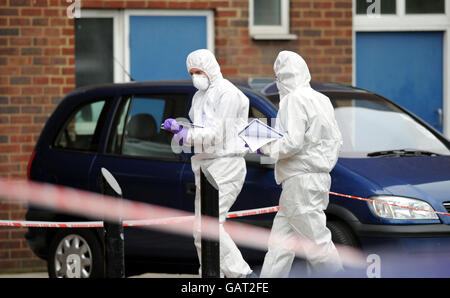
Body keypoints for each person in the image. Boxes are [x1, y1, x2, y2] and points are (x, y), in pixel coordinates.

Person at [163, 49, 253, 278]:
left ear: (211, 68)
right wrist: (182, 130)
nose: (195, 77)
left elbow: (216, 134)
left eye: (199, 71)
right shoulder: (199, 96)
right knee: (200, 232)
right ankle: (210, 277)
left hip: (226, 164)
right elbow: (201, 129)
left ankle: (242, 276)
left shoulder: (228, 94)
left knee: (209, 227)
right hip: (205, 166)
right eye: (191, 73)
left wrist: (185, 133)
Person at [258, 51, 344, 277]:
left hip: (300, 182)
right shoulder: (321, 99)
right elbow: (336, 140)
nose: (278, 84)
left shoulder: (293, 99)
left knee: (318, 245)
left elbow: (292, 143)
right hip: (316, 177)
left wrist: (265, 147)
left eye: (279, 78)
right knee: (280, 246)